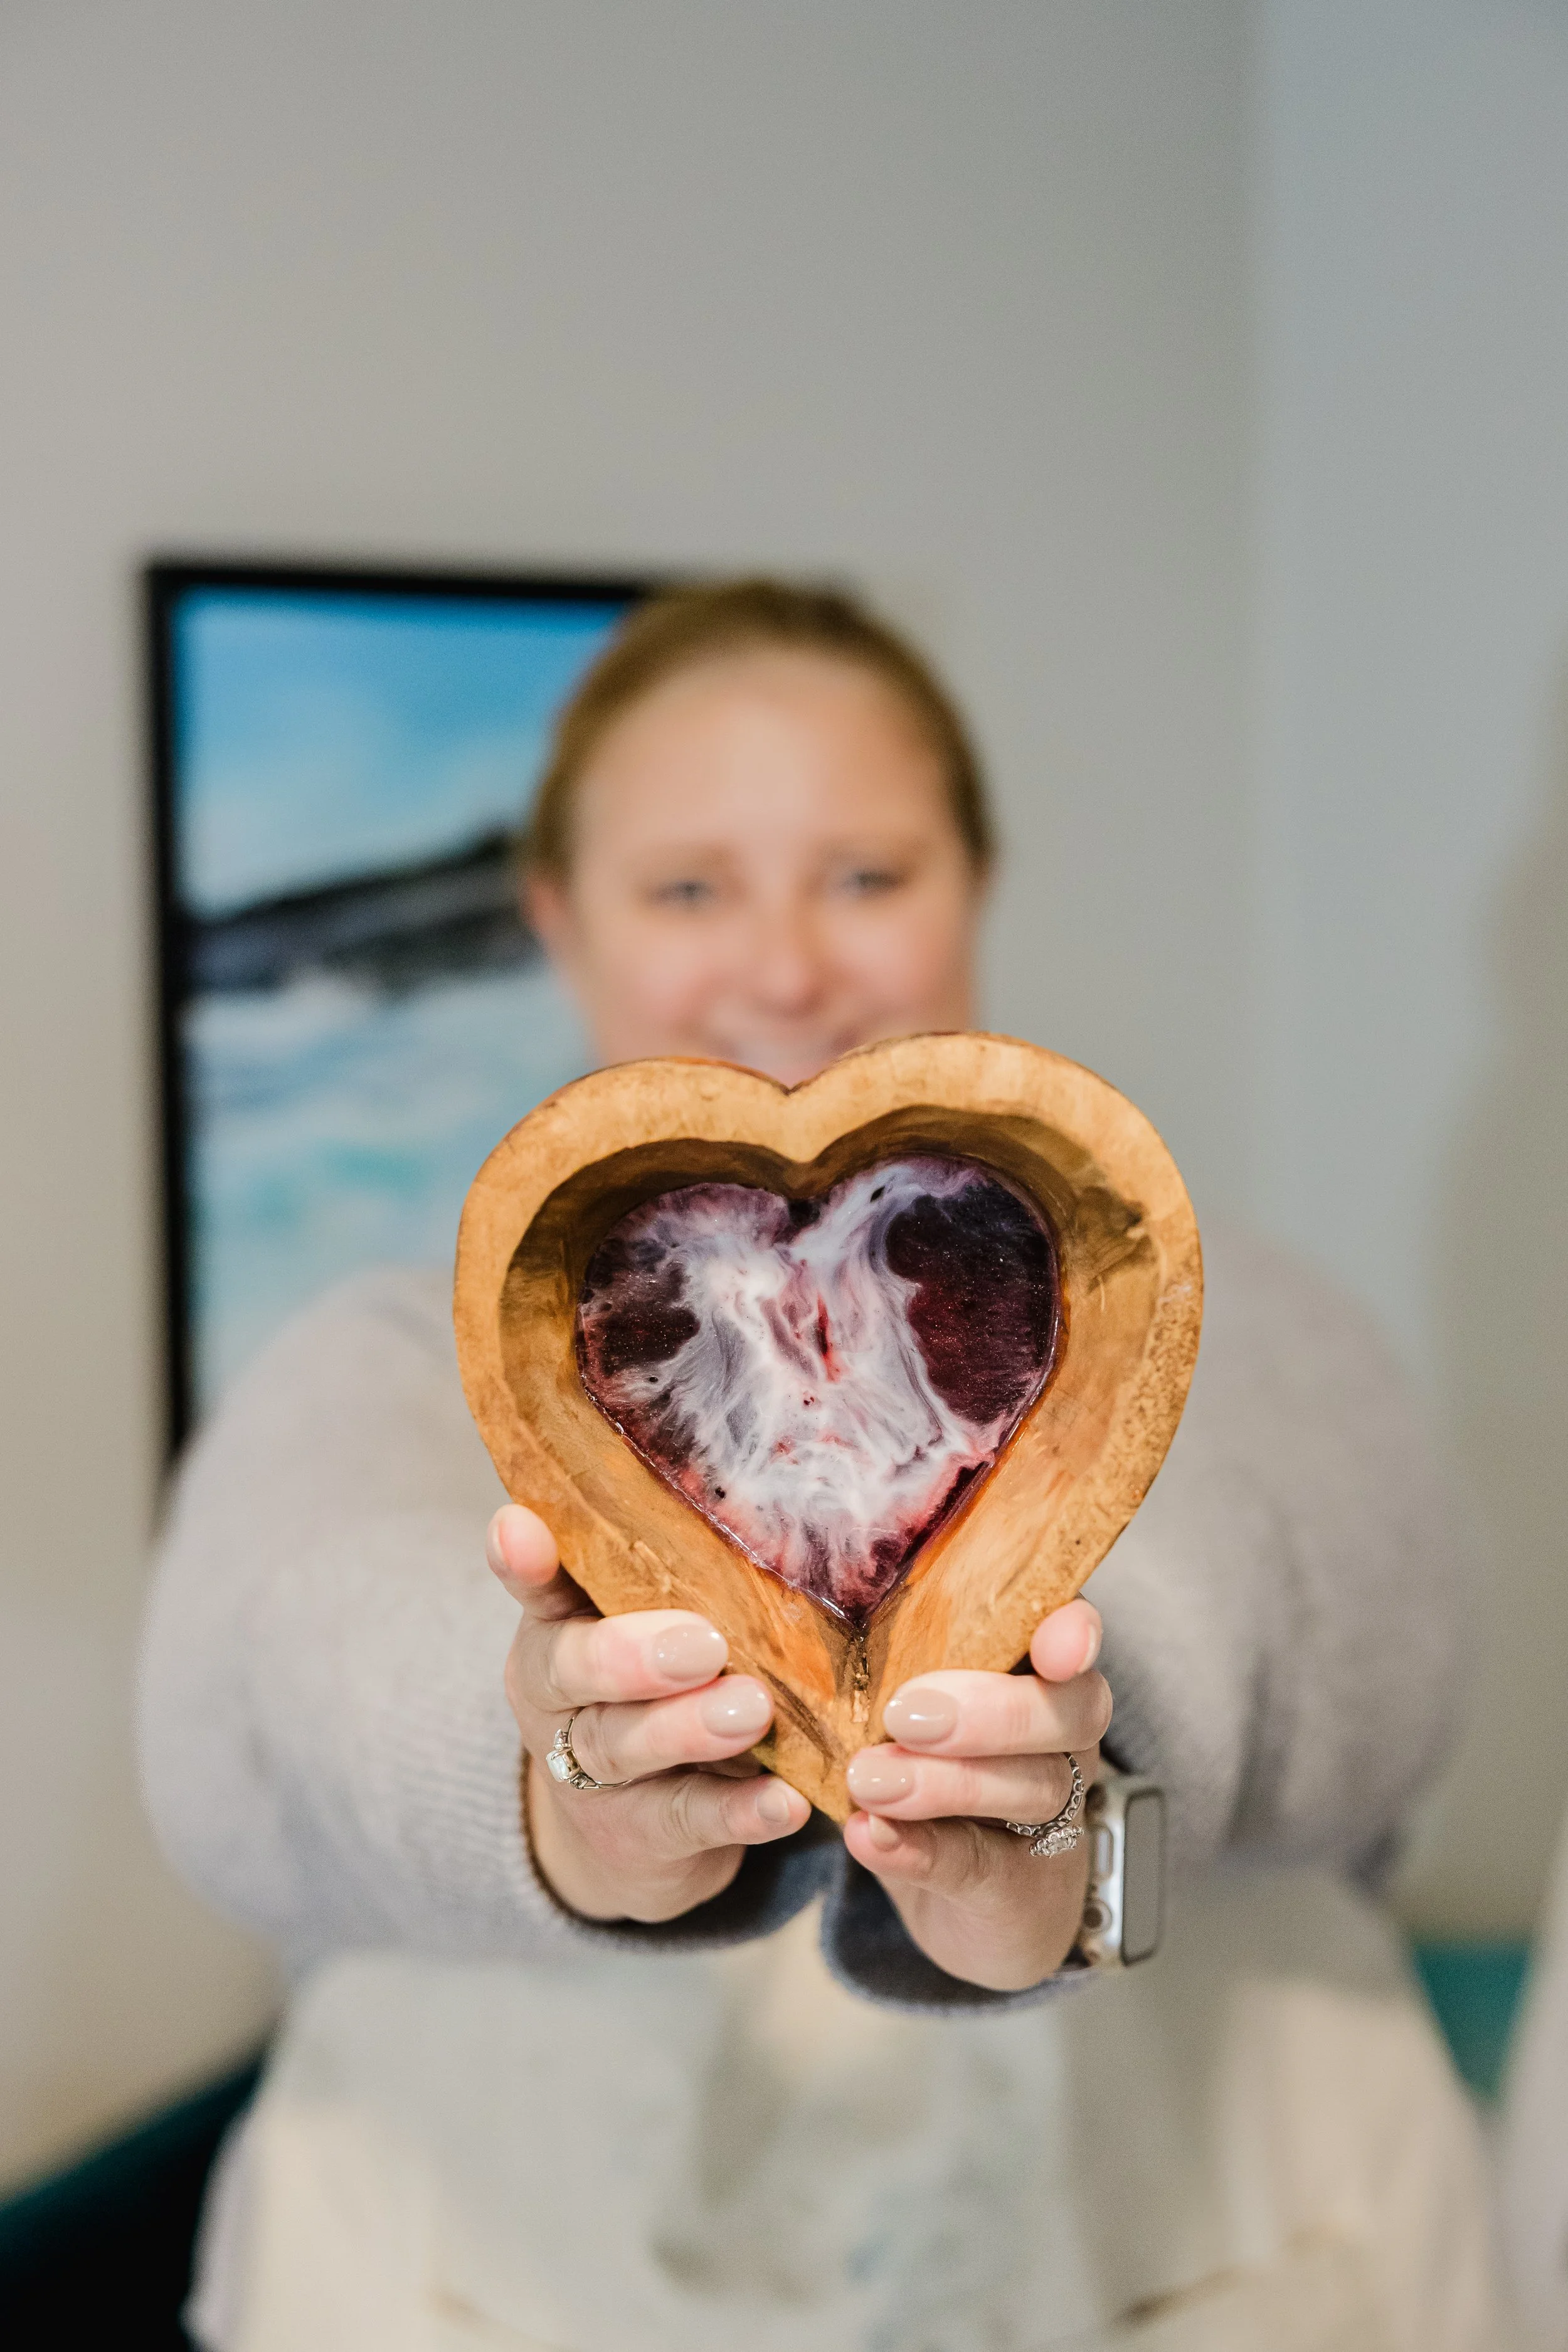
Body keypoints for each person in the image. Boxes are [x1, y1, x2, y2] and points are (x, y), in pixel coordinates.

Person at [141, 580, 1506, 2351]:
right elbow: (248, 1686)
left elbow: (1365, 1608)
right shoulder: (388, 1354)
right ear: (559, 923)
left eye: (867, 875)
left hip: (1215, 2248)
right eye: (686, 886)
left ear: (974, 884)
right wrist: (565, 1779)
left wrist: (1064, 1757)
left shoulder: (1220, 1307)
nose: (786, 963)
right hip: (489, 2272)